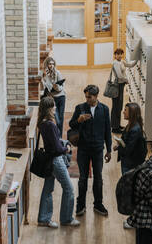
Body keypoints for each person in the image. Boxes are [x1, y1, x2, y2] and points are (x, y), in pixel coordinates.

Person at [69, 85, 112, 217]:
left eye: (90, 97)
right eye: (86, 96)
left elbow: (107, 130)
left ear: (96, 96)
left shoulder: (104, 109)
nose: (87, 99)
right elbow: (71, 125)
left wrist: (109, 149)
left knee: (98, 177)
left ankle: (98, 204)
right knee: (82, 178)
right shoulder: (80, 108)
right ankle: (80, 205)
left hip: (98, 149)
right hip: (83, 149)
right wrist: (78, 120)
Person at [37, 96, 80, 228]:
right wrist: (66, 149)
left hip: (49, 159)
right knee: (69, 188)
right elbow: (56, 147)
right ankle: (66, 218)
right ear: (49, 109)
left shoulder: (43, 122)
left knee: (48, 189)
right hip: (55, 160)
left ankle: (44, 219)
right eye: (53, 106)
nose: (55, 108)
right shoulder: (50, 124)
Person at [113, 102, 147, 229]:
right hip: (128, 162)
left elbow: (128, 149)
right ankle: (134, 218)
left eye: (125, 110)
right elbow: (126, 143)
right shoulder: (130, 126)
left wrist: (121, 147)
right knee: (130, 190)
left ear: (131, 113)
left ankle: (134, 220)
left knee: (131, 191)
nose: (123, 112)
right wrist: (119, 145)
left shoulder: (135, 129)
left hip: (131, 163)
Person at [111, 48, 137, 133]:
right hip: (116, 86)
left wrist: (137, 57)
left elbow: (130, 65)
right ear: (115, 55)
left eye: (121, 54)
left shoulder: (121, 61)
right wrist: (126, 80)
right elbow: (119, 75)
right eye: (117, 54)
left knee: (119, 106)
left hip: (121, 85)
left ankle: (117, 125)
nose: (119, 55)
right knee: (116, 106)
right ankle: (114, 127)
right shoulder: (115, 63)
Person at [42, 57, 66, 136]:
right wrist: (45, 77)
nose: (51, 65)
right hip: (53, 98)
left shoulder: (58, 73)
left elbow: (62, 85)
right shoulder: (46, 75)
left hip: (61, 96)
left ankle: (60, 137)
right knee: (57, 118)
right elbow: (46, 87)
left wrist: (57, 87)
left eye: (52, 64)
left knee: (61, 118)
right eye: (49, 64)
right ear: (47, 65)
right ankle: (57, 135)